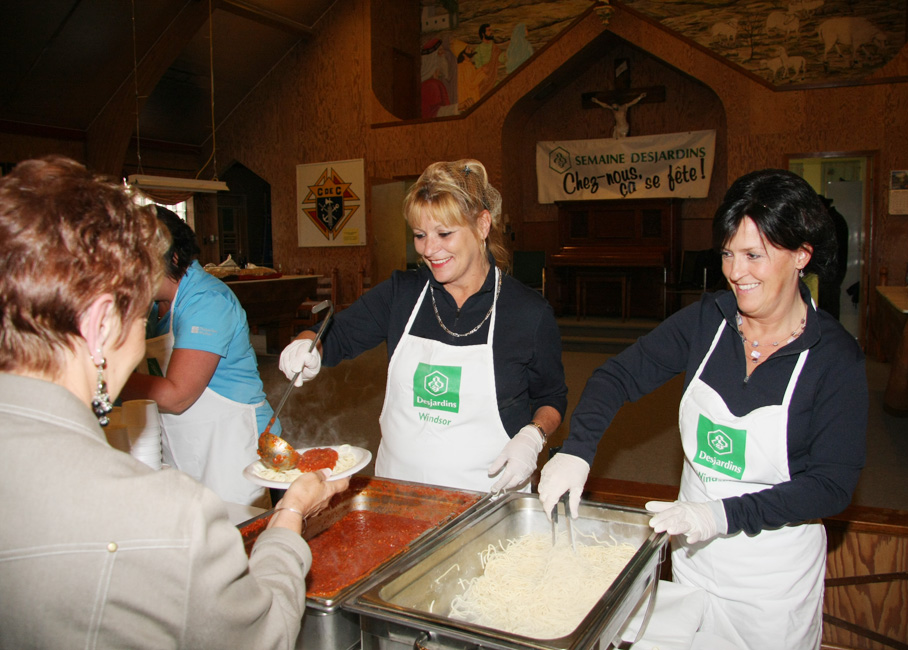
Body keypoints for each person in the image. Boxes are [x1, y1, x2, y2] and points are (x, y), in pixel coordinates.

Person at [0, 155, 349, 648]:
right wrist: (290, 513)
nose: (145, 323)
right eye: (137, 309)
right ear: (101, 325)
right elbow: (259, 632)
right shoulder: (172, 518)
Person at [538, 168, 867, 649]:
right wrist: (578, 450)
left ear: (802, 254)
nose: (736, 272)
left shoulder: (835, 357)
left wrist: (720, 516)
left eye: (755, 255)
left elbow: (831, 487)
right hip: (693, 561)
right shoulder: (707, 321)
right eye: (729, 254)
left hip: (771, 583)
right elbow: (617, 376)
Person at [279, 159, 568, 493]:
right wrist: (307, 343)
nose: (429, 250)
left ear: (482, 225)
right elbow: (337, 334)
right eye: (420, 235)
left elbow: (551, 396)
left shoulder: (528, 312)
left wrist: (533, 436)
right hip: (398, 494)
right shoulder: (402, 293)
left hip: (486, 501)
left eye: (444, 234)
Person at [120, 205, 278, 506]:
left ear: (173, 257)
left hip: (231, 448)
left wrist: (101, 380)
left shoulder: (207, 302)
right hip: (185, 442)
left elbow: (178, 396)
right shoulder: (153, 307)